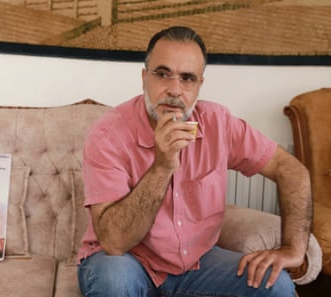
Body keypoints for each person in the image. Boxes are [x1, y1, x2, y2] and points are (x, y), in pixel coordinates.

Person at [77, 26, 312, 297]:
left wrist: (294, 249)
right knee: (113, 278)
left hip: (197, 264)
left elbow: (291, 170)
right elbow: (114, 243)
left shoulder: (219, 124)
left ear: (199, 84)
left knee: (277, 286)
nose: (175, 90)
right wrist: (163, 166)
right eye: (163, 74)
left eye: (187, 78)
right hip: (127, 261)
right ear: (144, 77)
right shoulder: (108, 135)